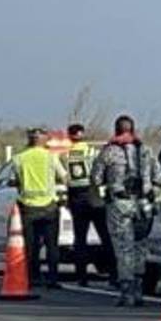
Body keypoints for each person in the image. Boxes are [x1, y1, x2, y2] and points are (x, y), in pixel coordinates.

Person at [91, 114, 161, 307]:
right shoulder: (146, 151)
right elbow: (159, 177)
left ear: (116, 130)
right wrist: (150, 193)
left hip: (120, 204)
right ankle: (139, 288)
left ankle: (127, 290)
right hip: (143, 205)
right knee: (140, 247)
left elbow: (96, 178)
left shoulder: (109, 152)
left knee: (123, 248)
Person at [12, 127, 68, 289]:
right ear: (44, 141)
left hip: (28, 205)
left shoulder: (19, 158)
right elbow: (64, 177)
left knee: (31, 245)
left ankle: (32, 277)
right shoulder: (51, 157)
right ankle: (52, 278)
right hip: (49, 206)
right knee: (52, 245)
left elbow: (16, 180)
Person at [63, 123, 110, 287]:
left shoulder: (65, 154)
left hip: (76, 197)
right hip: (94, 196)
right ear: (83, 135)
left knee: (80, 239)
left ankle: (81, 277)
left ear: (69, 136)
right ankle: (113, 274)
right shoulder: (92, 151)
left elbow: (64, 177)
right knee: (105, 236)